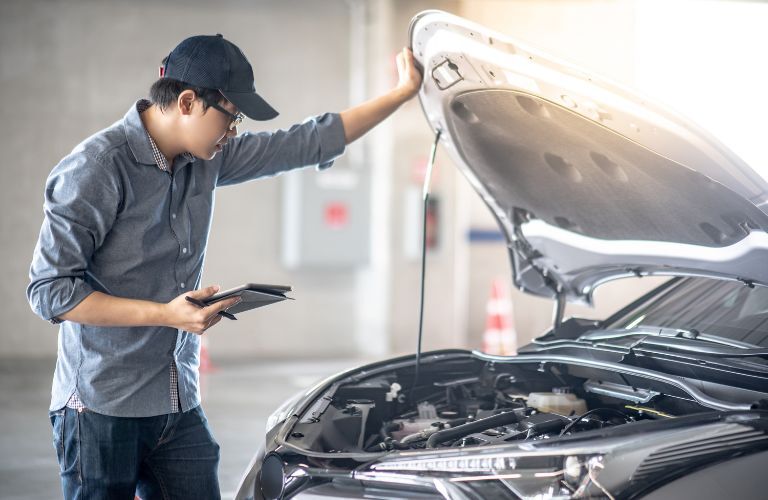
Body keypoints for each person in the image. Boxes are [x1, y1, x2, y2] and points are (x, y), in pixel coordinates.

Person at [27, 33, 422, 499]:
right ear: (189, 102)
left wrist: (402, 93)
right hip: (100, 407)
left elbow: (309, 141)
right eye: (231, 118)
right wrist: (165, 314)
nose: (233, 131)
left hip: (176, 398)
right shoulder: (96, 168)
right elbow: (50, 291)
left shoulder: (208, 159)